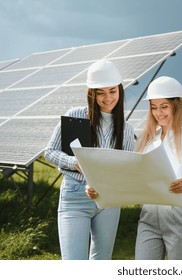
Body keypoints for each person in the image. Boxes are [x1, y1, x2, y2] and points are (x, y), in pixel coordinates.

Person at [44, 59, 135, 260]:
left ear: (120, 90)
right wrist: (74, 163)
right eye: (100, 92)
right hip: (75, 197)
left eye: (112, 91)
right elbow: (49, 151)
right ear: (91, 93)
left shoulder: (126, 129)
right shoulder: (76, 116)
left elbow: (126, 169)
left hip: (108, 201)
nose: (107, 98)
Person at [134, 76, 182, 260]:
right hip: (148, 216)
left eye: (164, 106)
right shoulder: (150, 140)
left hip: (178, 216)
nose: (158, 113)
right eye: (154, 107)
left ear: (176, 106)